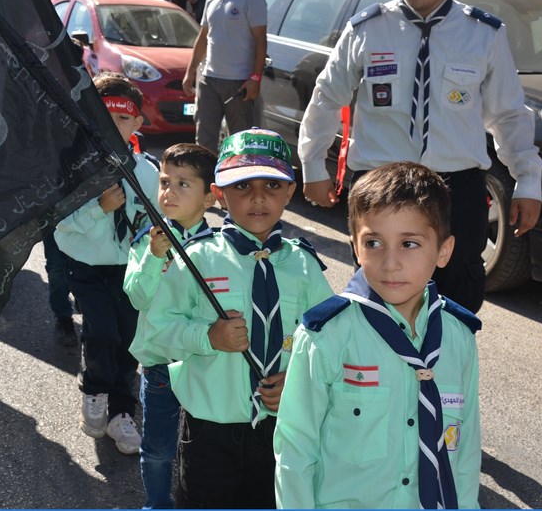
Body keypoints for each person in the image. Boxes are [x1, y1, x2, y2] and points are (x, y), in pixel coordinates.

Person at [298, 0, 542, 313]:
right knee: (379, 292)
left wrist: (528, 179)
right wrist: (313, 165)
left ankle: (445, 349)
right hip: (380, 186)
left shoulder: (484, 33)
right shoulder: (366, 29)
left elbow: (509, 114)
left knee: (457, 297)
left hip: (456, 188)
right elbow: (327, 97)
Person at [140, 128, 333, 509]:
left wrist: (298, 378)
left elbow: (328, 341)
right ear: (218, 194)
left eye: (272, 186)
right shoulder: (196, 259)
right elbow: (154, 335)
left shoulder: (304, 265)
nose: (258, 198)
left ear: (290, 193)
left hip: (283, 427)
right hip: (211, 434)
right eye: (242, 185)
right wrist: (207, 337)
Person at [274, 162, 482, 509]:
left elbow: (467, 447)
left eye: (409, 243)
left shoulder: (458, 337)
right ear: (356, 248)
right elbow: (295, 448)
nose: (390, 263)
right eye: (373, 242)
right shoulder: (326, 337)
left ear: (443, 251)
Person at [54, 72, 159, 455]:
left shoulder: (147, 172)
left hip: (129, 268)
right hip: (85, 266)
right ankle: (94, 390)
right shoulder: (76, 167)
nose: (113, 126)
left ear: (137, 122)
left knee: (129, 338)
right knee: (100, 332)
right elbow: (60, 223)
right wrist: (100, 207)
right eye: (105, 117)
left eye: (123, 118)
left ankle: (122, 411)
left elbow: (157, 218)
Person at [125, 143, 218, 509]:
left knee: (204, 446)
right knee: (158, 448)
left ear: (210, 197)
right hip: (161, 362)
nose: (169, 191)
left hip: (206, 360)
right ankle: (157, 504)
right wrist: (154, 256)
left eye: (183, 183)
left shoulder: (219, 248)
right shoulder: (147, 241)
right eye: (165, 182)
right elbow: (137, 297)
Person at [182, 0, 268, 152]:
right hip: (209, 79)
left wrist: (255, 78)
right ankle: (206, 170)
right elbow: (203, 36)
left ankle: (238, 170)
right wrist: (190, 71)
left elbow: (261, 41)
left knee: (240, 143)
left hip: (239, 83)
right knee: (204, 142)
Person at [43, 231, 78, 346]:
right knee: (58, 269)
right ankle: (63, 318)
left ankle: (92, 319)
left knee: (90, 266)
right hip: (55, 224)